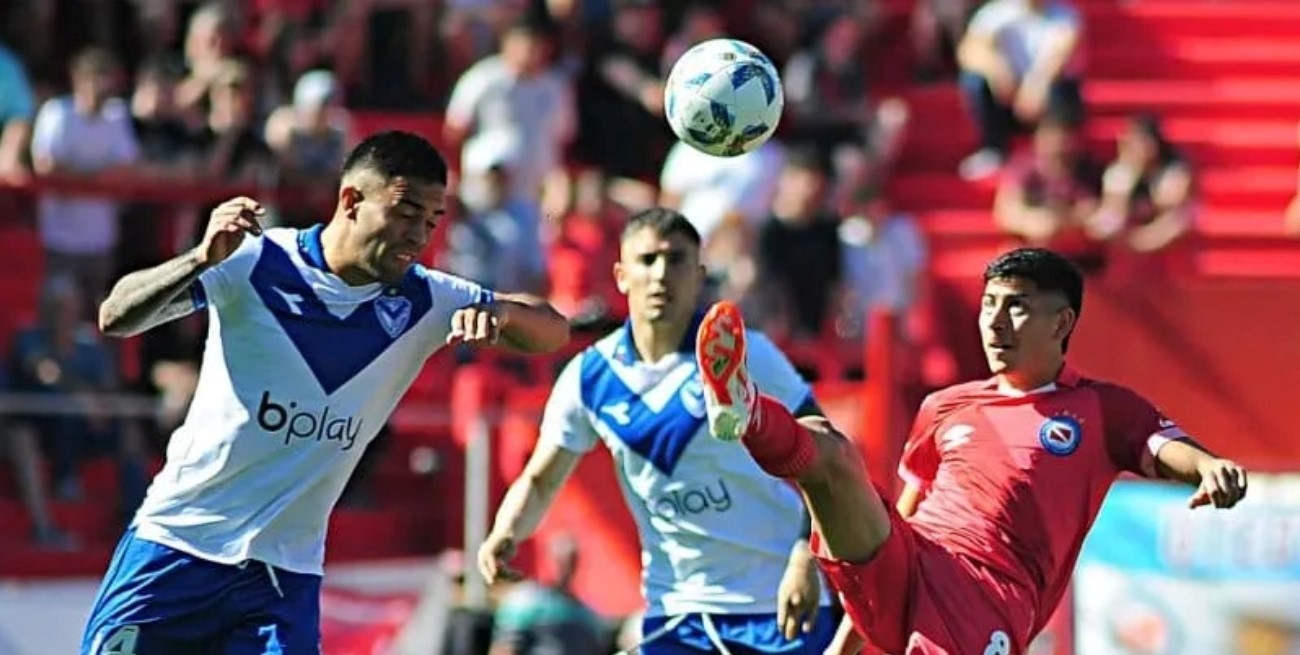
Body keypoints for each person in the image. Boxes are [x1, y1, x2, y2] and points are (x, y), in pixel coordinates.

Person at [81, 130, 571, 655]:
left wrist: (502, 315)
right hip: (177, 545)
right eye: (406, 213)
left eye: (431, 221)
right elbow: (116, 316)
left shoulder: (426, 300)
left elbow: (554, 330)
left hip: (280, 578)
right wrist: (201, 258)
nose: (418, 235)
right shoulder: (255, 261)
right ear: (351, 200)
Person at [693, 247, 1249, 655]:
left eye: (1017, 307)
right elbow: (902, 519)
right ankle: (747, 410)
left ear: (1062, 322)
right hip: (909, 557)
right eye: (989, 305)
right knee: (833, 455)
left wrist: (1210, 467)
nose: (996, 322)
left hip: (987, 594)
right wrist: (843, 646)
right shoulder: (945, 406)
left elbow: (1166, 446)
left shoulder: (1100, 409)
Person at [477, 208, 836, 654]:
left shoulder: (745, 355)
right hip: (677, 611)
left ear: (699, 273)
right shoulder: (590, 376)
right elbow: (540, 477)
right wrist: (505, 533)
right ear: (621, 275)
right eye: (647, 260)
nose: (661, 274)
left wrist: (807, 556)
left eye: (677, 260)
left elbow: (827, 458)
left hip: (777, 604)